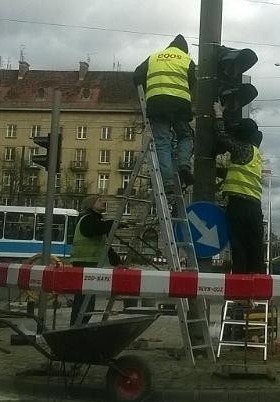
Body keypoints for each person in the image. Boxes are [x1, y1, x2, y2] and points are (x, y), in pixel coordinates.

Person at [133, 34, 197, 193]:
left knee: (162, 142)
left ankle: (167, 182)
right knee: (185, 136)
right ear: (185, 50)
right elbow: (192, 83)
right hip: (179, 105)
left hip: (157, 104)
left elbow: (136, 76)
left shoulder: (153, 57)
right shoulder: (186, 59)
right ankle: (184, 165)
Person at [213, 102, 266, 274]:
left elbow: (222, 137)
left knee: (239, 250)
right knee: (255, 251)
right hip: (255, 209)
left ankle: (240, 290)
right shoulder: (255, 153)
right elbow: (236, 173)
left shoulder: (243, 149)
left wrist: (219, 115)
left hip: (239, 208)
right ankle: (255, 291)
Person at [69, 195, 125, 325]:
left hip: (90, 263)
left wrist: (117, 262)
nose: (104, 202)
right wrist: (113, 224)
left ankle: (78, 326)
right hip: (83, 263)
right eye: (99, 200)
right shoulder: (87, 219)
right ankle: (76, 327)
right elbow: (94, 230)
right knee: (84, 302)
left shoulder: (95, 220)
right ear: (91, 204)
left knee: (86, 301)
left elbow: (105, 245)